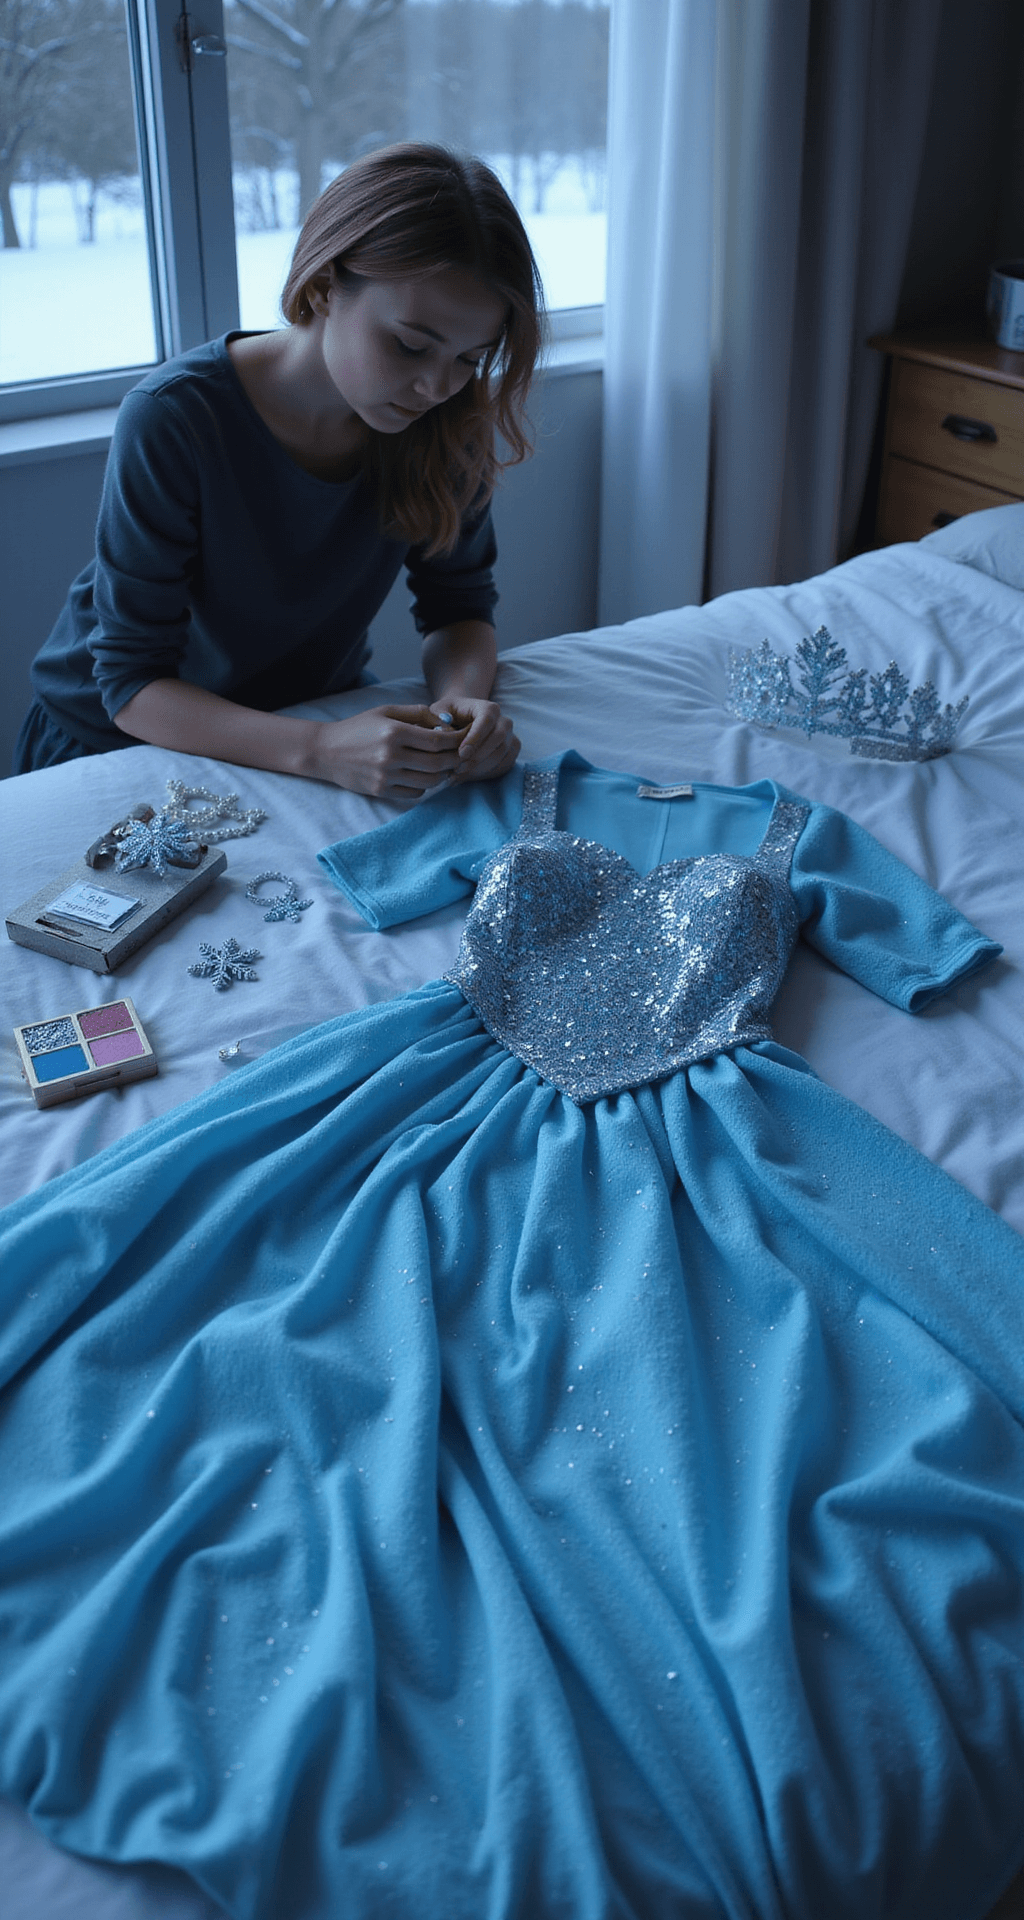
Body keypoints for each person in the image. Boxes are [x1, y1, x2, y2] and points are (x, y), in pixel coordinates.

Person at [14, 143, 544, 803]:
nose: (437, 386)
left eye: (470, 358)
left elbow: (459, 606)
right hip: (117, 742)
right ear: (324, 286)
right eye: (410, 345)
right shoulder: (173, 418)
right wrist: (320, 749)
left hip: (307, 722)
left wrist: (460, 710)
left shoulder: (447, 419)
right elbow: (130, 685)